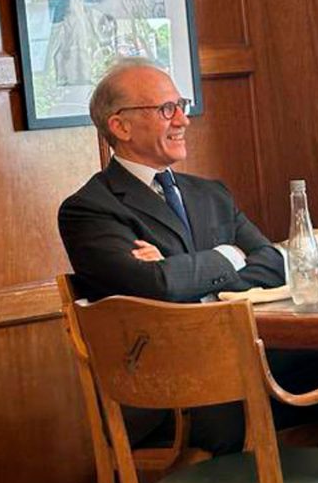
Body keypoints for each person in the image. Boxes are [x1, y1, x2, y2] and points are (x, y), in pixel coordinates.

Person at [58, 58, 287, 454]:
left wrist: (190, 275)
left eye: (181, 105)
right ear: (121, 126)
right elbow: (155, 285)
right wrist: (230, 255)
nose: (183, 120)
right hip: (169, 396)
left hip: (239, 362)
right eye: (167, 109)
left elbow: (273, 263)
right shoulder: (90, 209)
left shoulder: (211, 194)